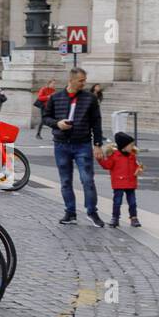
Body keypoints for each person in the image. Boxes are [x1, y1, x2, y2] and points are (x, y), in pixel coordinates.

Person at [42, 67, 105, 227]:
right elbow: (45, 117)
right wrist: (57, 124)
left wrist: (97, 144)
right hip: (61, 144)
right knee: (65, 181)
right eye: (81, 80)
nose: (84, 83)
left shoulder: (90, 98)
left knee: (87, 179)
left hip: (82, 144)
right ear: (71, 80)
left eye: (84, 80)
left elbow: (96, 122)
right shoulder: (55, 97)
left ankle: (92, 212)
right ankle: (70, 213)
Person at [97, 133, 143, 229]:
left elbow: (136, 165)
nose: (133, 147)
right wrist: (100, 160)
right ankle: (115, 218)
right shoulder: (115, 156)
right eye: (131, 145)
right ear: (124, 146)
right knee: (117, 202)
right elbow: (107, 165)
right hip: (119, 183)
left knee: (132, 202)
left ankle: (134, 218)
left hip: (130, 182)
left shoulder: (132, 156)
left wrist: (139, 169)